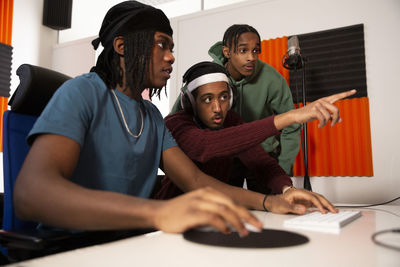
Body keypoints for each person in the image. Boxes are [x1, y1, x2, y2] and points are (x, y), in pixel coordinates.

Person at [13, 1, 337, 238]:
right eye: (161, 45)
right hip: (73, 247)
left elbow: (196, 182)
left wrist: (270, 201)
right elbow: (31, 195)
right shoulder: (82, 93)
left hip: (132, 242)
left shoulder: (151, 115)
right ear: (123, 46)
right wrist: (158, 212)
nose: (170, 56)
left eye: (171, 47)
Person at [156, 61, 356, 200]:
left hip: (213, 214)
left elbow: (261, 163)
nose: (218, 108)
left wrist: (287, 189)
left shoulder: (231, 120)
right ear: (190, 102)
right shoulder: (175, 123)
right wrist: (291, 117)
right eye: (207, 99)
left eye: (224, 97)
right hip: (169, 220)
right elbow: (205, 146)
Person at [171, 24, 301, 192]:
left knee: (271, 205)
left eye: (255, 51)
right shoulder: (209, 77)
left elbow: (292, 126)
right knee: (228, 205)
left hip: (260, 155)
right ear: (227, 52)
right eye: (243, 51)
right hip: (223, 156)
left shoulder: (272, 79)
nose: (251, 57)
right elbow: (177, 117)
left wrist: (282, 170)